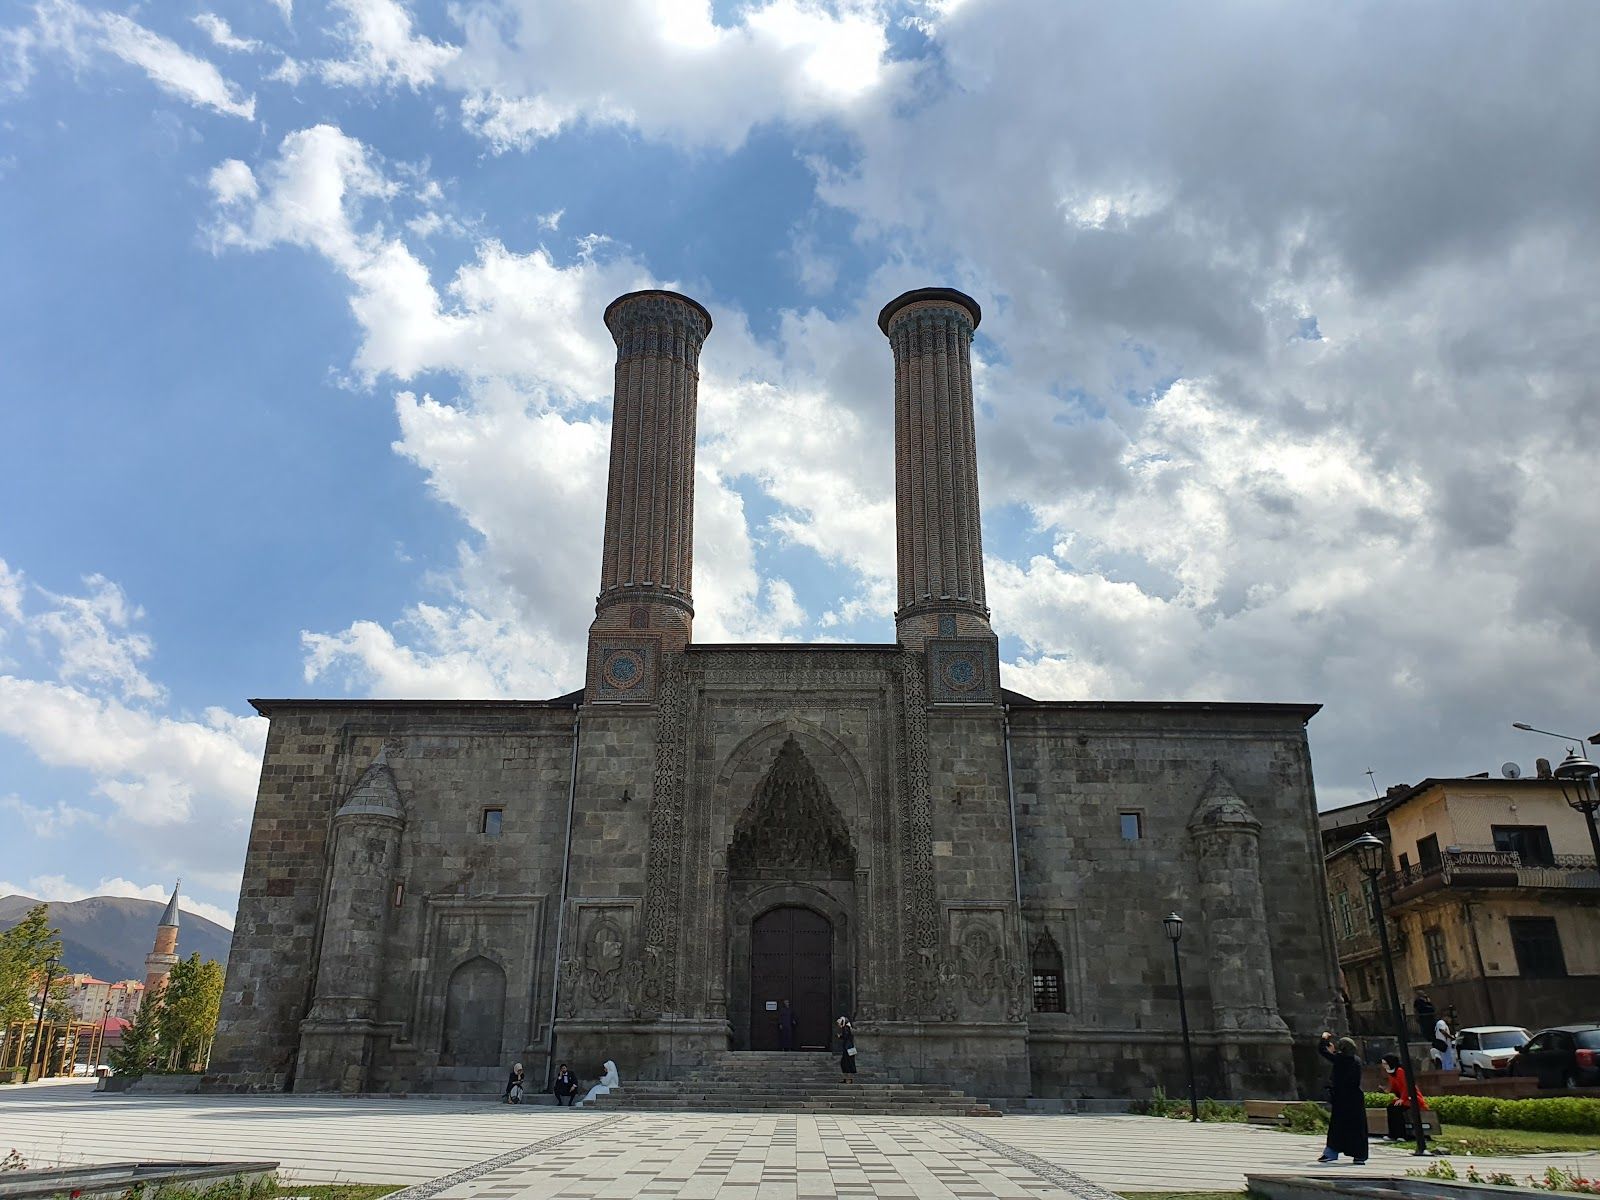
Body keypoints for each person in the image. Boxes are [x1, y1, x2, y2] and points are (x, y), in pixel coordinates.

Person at [1316, 1033, 1368, 1165]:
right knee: (1357, 1127)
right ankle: (1359, 1156)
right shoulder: (1356, 1060)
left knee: (1337, 1126)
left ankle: (1331, 1153)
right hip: (1355, 1098)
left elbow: (1322, 1051)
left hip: (1342, 1098)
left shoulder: (1340, 1059)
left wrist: (1324, 1038)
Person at [1381, 1053, 1429, 1140]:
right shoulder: (1391, 1073)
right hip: (1403, 1098)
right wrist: (1387, 1090)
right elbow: (1395, 1087)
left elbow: (1406, 1087)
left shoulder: (1400, 1071)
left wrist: (1402, 1099)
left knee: (1396, 1110)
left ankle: (1401, 1135)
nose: (1384, 1066)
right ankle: (1393, 1134)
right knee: (1390, 1108)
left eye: (1385, 1063)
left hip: (1411, 1098)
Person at [837, 1016, 857, 1084]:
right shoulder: (847, 1028)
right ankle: (847, 1079)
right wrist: (841, 1036)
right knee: (846, 1063)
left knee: (847, 1063)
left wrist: (841, 1036)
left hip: (848, 1049)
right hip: (850, 1048)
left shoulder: (846, 1028)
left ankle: (848, 1079)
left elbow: (846, 1036)